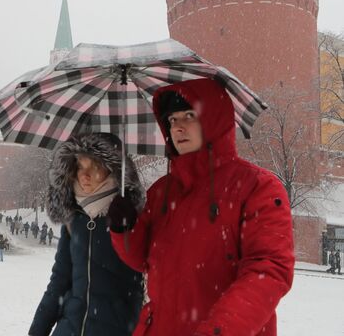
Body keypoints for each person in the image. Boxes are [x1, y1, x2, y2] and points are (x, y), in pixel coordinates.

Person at [108, 79, 294, 336]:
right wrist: (124, 228)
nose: (178, 128)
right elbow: (140, 259)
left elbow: (268, 271)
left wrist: (217, 331)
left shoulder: (258, 187)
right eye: (172, 120)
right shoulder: (162, 191)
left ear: (213, 119)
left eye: (189, 116)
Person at [29, 133, 144, 336]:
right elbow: (59, 281)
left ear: (112, 169)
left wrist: (126, 227)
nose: (85, 175)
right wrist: (38, 330)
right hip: (68, 329)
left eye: (95, 166)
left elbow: (140, 286)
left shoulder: (130, 217)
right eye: (80, 166)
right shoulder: (73, 219)